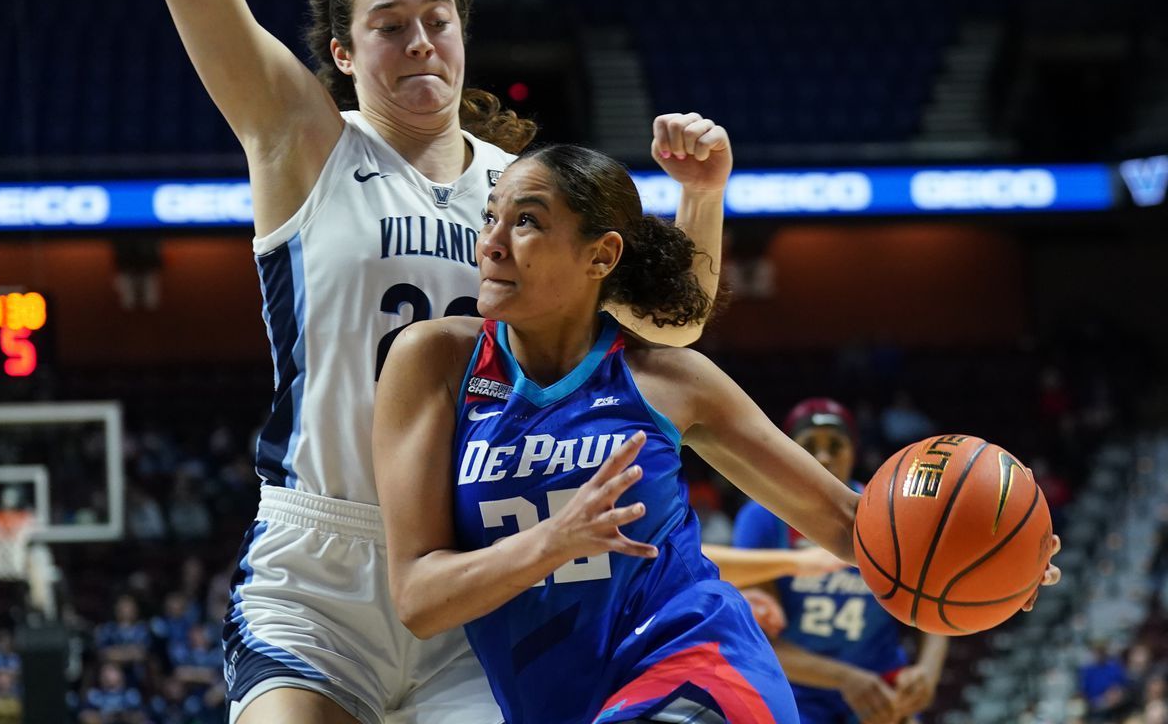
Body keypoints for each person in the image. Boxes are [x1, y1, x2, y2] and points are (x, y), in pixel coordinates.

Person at [131, 0, 728, 723]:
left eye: (438, 20)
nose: (419, 41)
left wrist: (701, 195)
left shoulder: (526, 189)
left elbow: (670, 324)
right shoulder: (305, 143)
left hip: (484, 569)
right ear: (343, 53)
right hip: (321, 570)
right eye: (388, 25)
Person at [373, 143, 1059, 723]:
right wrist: (553, 541)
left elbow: (855, 525)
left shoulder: (670, 380)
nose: (490, 241)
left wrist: (1001, 558)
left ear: (600, 256)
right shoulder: (435, 361)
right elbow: (420, 600)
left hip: (697, 665)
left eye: (526, 223)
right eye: (491, 216)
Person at [732, 398, 948, 724]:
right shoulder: (760, 519)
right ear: (787, 452)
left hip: (880, 685)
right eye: (808, 445)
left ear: (853, 452)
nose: (823, 456)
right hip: (796, 688)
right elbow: (761, 640)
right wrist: (844, 678)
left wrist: (927, 673)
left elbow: (936, 597)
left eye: (836, 445)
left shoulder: (889, 511)